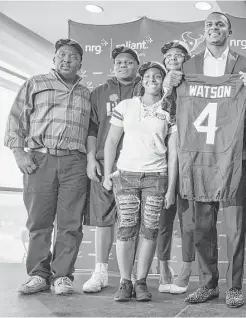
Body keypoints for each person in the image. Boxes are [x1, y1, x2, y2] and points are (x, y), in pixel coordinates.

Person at [163, 11, 246, 308]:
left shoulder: (245, 65)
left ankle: (233, 286)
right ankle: (207, 284)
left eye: (220, 24)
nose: (214, 28)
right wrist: (169, 85)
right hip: (198, 157)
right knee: (200, 226)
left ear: (229, 30)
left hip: (232, 157)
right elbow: (170, 112)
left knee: (235, 227)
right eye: (209, 25)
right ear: (203, 32)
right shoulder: (188, 65)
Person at [5, 39, 91, 295]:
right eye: (62, 55)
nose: (67, 60)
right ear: (54, 59)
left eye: (73, 56)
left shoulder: (87, 93)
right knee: (39, 221)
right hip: (40, 159)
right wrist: (19, 154)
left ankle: (62, 276)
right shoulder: (36, 83)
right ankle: (38, 275)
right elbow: (16, 118)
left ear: (80, 63)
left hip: (75, 161)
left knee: (71, 224)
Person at [102, 61, 178, 302]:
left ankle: (142, 281)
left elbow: (174, 152)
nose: (152, 80)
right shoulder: (125, 106)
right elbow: (111, 142)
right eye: (148, 76)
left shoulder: (170, 109)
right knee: (126, 228)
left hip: (156, 176)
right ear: (141, 80)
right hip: (126, 176)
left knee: (150, 229)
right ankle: (125, 282)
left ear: (163, 80)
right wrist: (106, 174)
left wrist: (171, 188)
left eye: (158, 76)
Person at [82, 46, 141, 293]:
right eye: (119, 62)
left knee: (133, 220)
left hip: (138, 164)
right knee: (103, 219)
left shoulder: (147, 87)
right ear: (113, 66)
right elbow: (92, 130)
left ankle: (136, 276)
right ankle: (100, 271)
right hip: (105, 164)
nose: (123, 65)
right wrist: (91, 160)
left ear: (138, 66)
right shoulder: (99, 93)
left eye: (129, 62)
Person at [156, 40, 194, 294]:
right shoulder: (153, 85)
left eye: (178, 55)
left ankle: (188, 268)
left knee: (188, 219)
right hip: (157, 159)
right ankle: (162, 268)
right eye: (169, 55)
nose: (173, 58)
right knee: (162, 218)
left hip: (189, 156)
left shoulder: (193, 83)